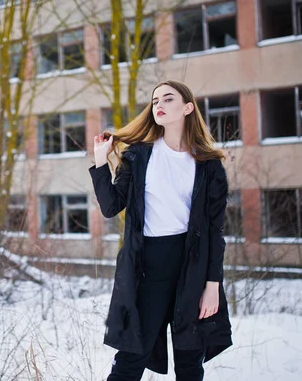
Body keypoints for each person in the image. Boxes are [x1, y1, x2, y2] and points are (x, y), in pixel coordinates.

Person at [89, 80, 232, 380]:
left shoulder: (209, 165)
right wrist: (101, 161)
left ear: (188, 108)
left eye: (168, 99)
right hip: (148, 268)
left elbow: (215, 231)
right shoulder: (139, 156)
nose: (159, 105)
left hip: (191, 267)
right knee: (130, 357)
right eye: (155, 101)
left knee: (190, 361)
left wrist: (212, 285)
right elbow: (111, 206)